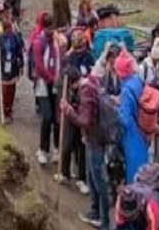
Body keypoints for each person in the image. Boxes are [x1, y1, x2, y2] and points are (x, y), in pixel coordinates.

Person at [61, 61, 112, 230]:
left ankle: (104, 221)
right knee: (91, 178)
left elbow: (85, 121)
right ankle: (94, 211)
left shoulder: (86, 93)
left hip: (95, 141)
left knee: (99, 181)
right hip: (93, 139)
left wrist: (69, 111)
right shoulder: (91, 82)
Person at [116, 49, 149, 183]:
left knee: (133, 171)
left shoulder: (126, 90)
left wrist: (115, 108)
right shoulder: (137, 81)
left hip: (131, 134)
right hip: (142, 129)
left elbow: (125, 120)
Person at [33, 15, 62, 165]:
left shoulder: (56, 41)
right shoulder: (39, 43)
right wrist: (50, 78)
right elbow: (39, 66)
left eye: (54, 28)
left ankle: (57, 148)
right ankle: (43, 149)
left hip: (56, 84)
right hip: (44, 84)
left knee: (57, 118)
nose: (52, 31)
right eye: (49, 29)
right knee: (47, 116)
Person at [56, 65, 89, 195]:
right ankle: (64, 173)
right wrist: (61, 115)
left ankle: (82, 178)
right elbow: (59, 104)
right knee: (66, 146)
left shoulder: (84, 89)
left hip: (80, 121)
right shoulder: (63, 88)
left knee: (81, 149)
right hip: (69, 121)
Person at [0, 15, 24, 123]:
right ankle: (4, 110)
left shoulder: (15, 38)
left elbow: (19, 52)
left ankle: (9, 109)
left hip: (12, 66)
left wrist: (21, 65)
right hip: (3, 66)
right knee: (4, 89)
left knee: (11, 89)